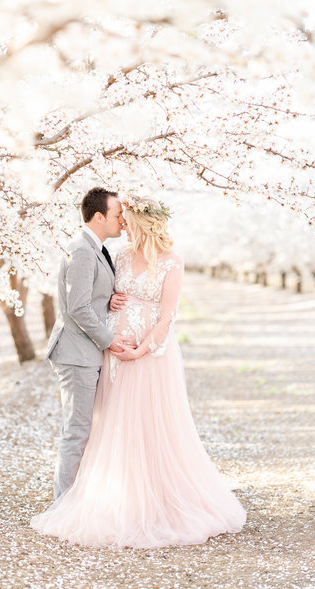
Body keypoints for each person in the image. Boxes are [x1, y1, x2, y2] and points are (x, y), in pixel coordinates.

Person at [30, 196, 246, 548]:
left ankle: (151, 499)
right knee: (108, 425)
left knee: (149, 424)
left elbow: (167, 315)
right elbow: (93, 298)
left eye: (128, 218)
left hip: (148, 355)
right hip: (112, 353)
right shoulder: (118, 256)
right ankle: (92, 500)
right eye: (120, 216)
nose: (123, 224)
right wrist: (113, 311)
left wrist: (141, 348)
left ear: (144, 223)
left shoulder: (171, 262)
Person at [44, 187, 129, 501]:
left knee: (82, 431)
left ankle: (75, 502)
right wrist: (110, 341)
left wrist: (109, 300)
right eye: (117, 214)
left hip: (83, 352)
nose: (123, 220)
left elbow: (87, 298)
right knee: (76, 432)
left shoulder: (94, 248)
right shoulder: (81, 248)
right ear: (98, 216)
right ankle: (62, 507)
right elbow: (77, 307)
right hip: (77, 353)